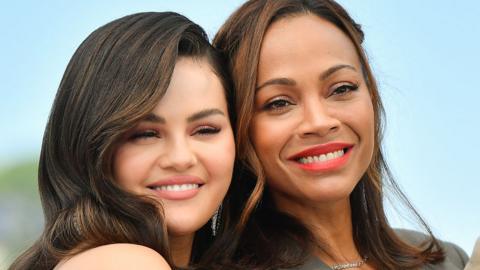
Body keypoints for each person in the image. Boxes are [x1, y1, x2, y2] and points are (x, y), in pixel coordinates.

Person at [212, 0, 469, 269]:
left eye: (342, 88)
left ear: (370, 94)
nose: (320, 122)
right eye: (279, 103)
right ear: (237, 126)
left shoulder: (449, 260)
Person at [9, 12, 235, 270]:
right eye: (145, 134)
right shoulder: (124, 262)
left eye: (205, 130)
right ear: (90, 147)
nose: (181, 158)